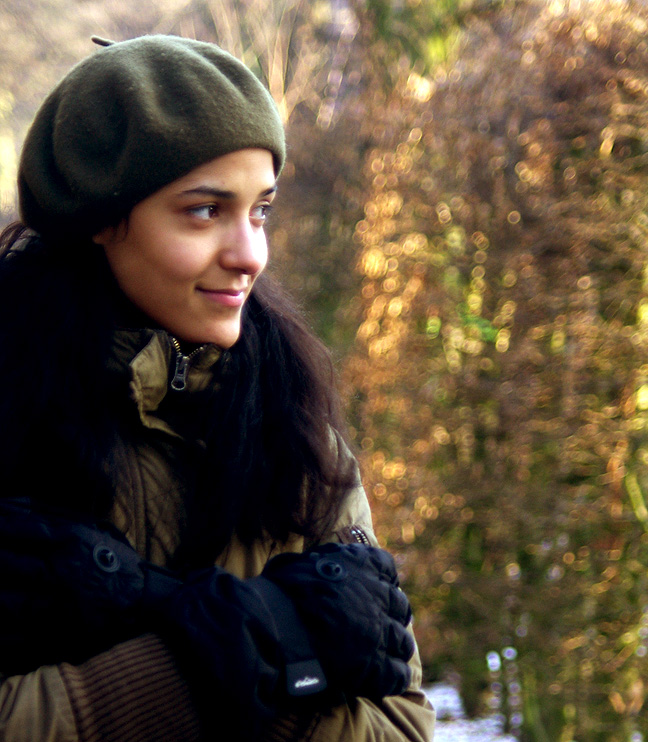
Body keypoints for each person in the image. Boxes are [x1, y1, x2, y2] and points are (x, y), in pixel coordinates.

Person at [0, 34, 435, 742]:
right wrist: (197, 669)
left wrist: (265, 659)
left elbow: (403, 726)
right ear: (102, 219)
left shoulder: (296, 432)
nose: (250, 255)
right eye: (205, 211)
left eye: (260, 210)